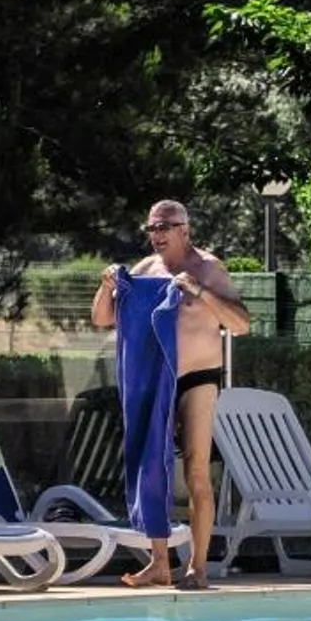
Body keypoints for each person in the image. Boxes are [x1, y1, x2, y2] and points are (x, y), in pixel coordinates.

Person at [89, 199, 251, 590]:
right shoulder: (144, 272)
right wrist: (107, 285)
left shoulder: (207, 268)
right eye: (152, 228)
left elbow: (241, 324)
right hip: (154, 376)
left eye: (165, 227)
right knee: (151, 465)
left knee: (196, 468)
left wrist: (198, 292)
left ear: (185, 229)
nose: (157, 235)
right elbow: (102, 319)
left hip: (197, 376)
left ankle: (198, 567)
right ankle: (159, 562)